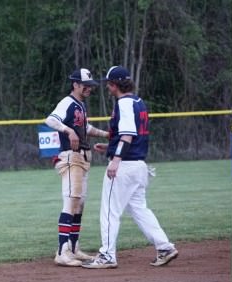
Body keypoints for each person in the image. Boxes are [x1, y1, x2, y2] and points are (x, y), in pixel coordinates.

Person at [82, 66, 178, 269]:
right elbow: (131, 136)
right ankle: (165, 247)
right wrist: (110, 148)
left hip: (125, 166)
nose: (108, 87)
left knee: (109, 210)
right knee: (139, 209)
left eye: (109, 83)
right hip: (138, 165)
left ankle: (107, 255)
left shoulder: (124, 103)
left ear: (115, 84)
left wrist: (115, 159)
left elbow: (127, 135)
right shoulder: (138, 102)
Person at [45, 68, 109, 267]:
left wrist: (106, 135)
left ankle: (73, 248)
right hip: (71, 157)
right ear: (75, 84)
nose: (89, 88)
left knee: (79, 203)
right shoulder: (67, 102)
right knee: (71, 202)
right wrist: (68, 130)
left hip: (83, 158)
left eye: (90, 85)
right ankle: (62, 251)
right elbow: (50, 120)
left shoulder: (80, 105)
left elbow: (86, 128)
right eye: (85, 85)